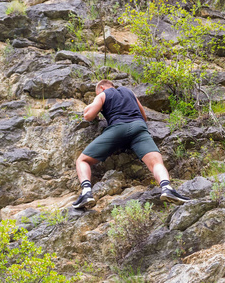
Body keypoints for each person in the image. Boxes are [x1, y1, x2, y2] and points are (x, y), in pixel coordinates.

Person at [72, 80, 190, 209]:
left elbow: (88, 116)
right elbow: (143, 116)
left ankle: (86, 192)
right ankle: (167, 188)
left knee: (82, 160)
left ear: (101, 88)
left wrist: (93, 107)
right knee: (156, 162)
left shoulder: (103, 95)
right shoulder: (130, 92)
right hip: (138, 127)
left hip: (117, 129)